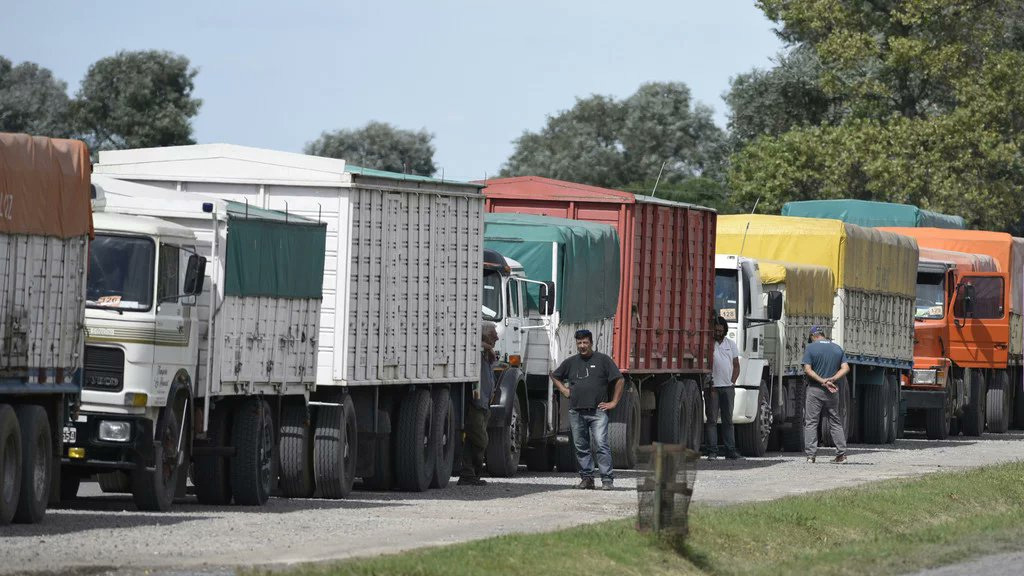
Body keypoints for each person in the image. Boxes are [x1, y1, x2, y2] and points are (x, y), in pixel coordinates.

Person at [550, 329, 624, 490]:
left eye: (585, 342)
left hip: (598, 411)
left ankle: (607, 480)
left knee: (601, 444)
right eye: (579, 343)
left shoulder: (603, 360)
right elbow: (555, 375)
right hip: (576, 411)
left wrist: (613, 402)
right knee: (581, 446)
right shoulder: (570, 362)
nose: (582, 346)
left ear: (591, 343)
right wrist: (563, 390)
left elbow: (619, 380)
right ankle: (587, 479)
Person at [802, 325, 850, 464]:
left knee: (811, 422)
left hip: (815, 390)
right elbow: (846, 368)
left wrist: (822, 380)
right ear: (823, 334)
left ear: (813, 336)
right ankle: (841, 455)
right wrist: (833, 379)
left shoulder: (810, 348)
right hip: (832, 390)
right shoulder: (837, 348)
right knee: (835, 421)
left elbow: (808, 369)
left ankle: (811, 456)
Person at [459, 322, 499, 486]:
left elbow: (493, 362)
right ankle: (468, 473)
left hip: (484, 405)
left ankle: (470, 475)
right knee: (481, 440)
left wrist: (489, 350)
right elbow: (473, 344)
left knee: (473, 440)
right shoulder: (476, 350)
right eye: (493, 334)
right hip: (476, 404)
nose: (496, 337)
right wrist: (487, 347)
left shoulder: (487, 355)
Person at [706, 316, 741, 460]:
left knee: (728, 421)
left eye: (721, 330)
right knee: (712, 421)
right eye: (716, 330)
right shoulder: (708, 344)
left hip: (728, 388)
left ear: (725, 330)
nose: (718, 332)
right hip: (712, 388)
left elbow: (736, 366)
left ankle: (730, 451)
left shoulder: (731, 344)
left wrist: (732, 382)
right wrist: (710, 384)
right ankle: (712, 452)